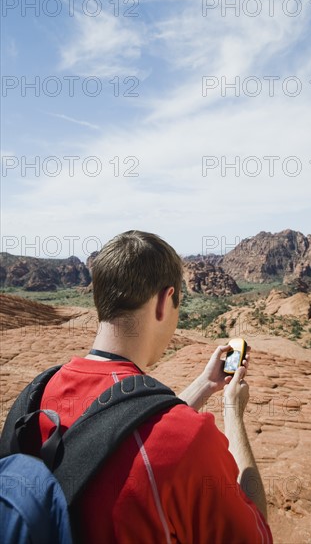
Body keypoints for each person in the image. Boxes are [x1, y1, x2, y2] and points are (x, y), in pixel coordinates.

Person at [38, 230, 273, 543]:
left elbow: (126, 430)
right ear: (164, 302)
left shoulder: (36, 397)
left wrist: (205, 384)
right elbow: (256, 536)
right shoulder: (190, 438)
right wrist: (233, 411)